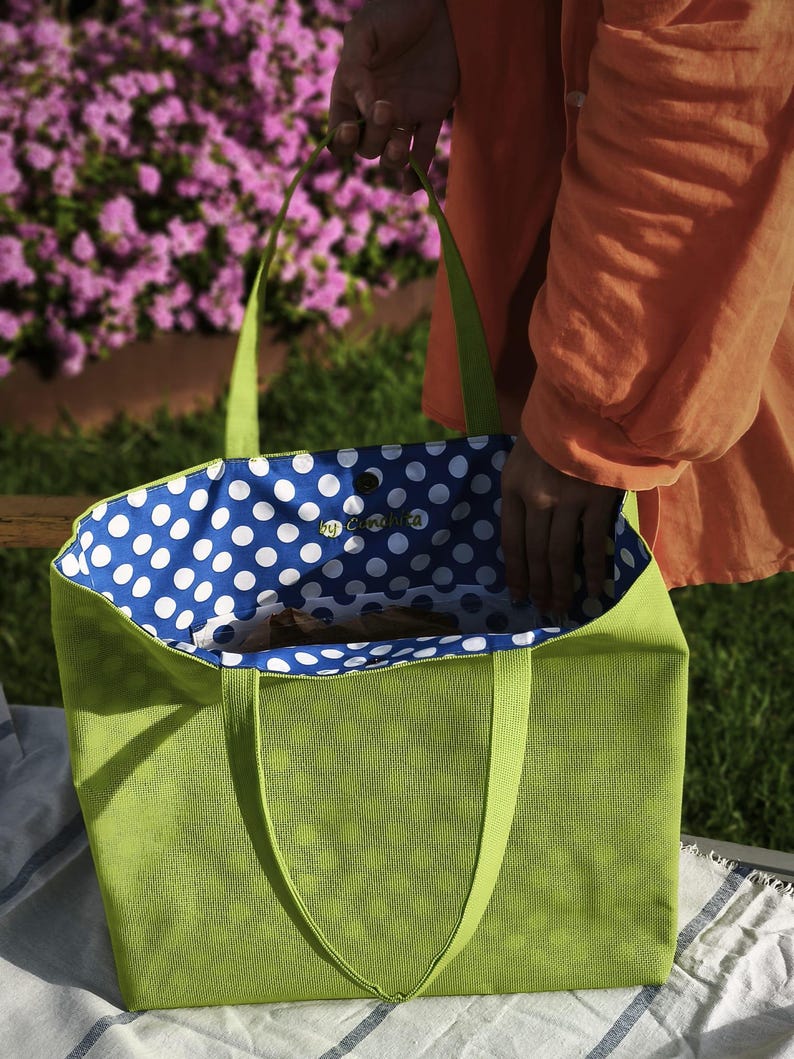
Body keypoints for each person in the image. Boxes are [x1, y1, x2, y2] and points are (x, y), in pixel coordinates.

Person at [328, 0, 794, 615]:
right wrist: (464, 19)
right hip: (595, 222)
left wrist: (589, 420)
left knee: (582, 640)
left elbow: (711, 84)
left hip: (651, 281)